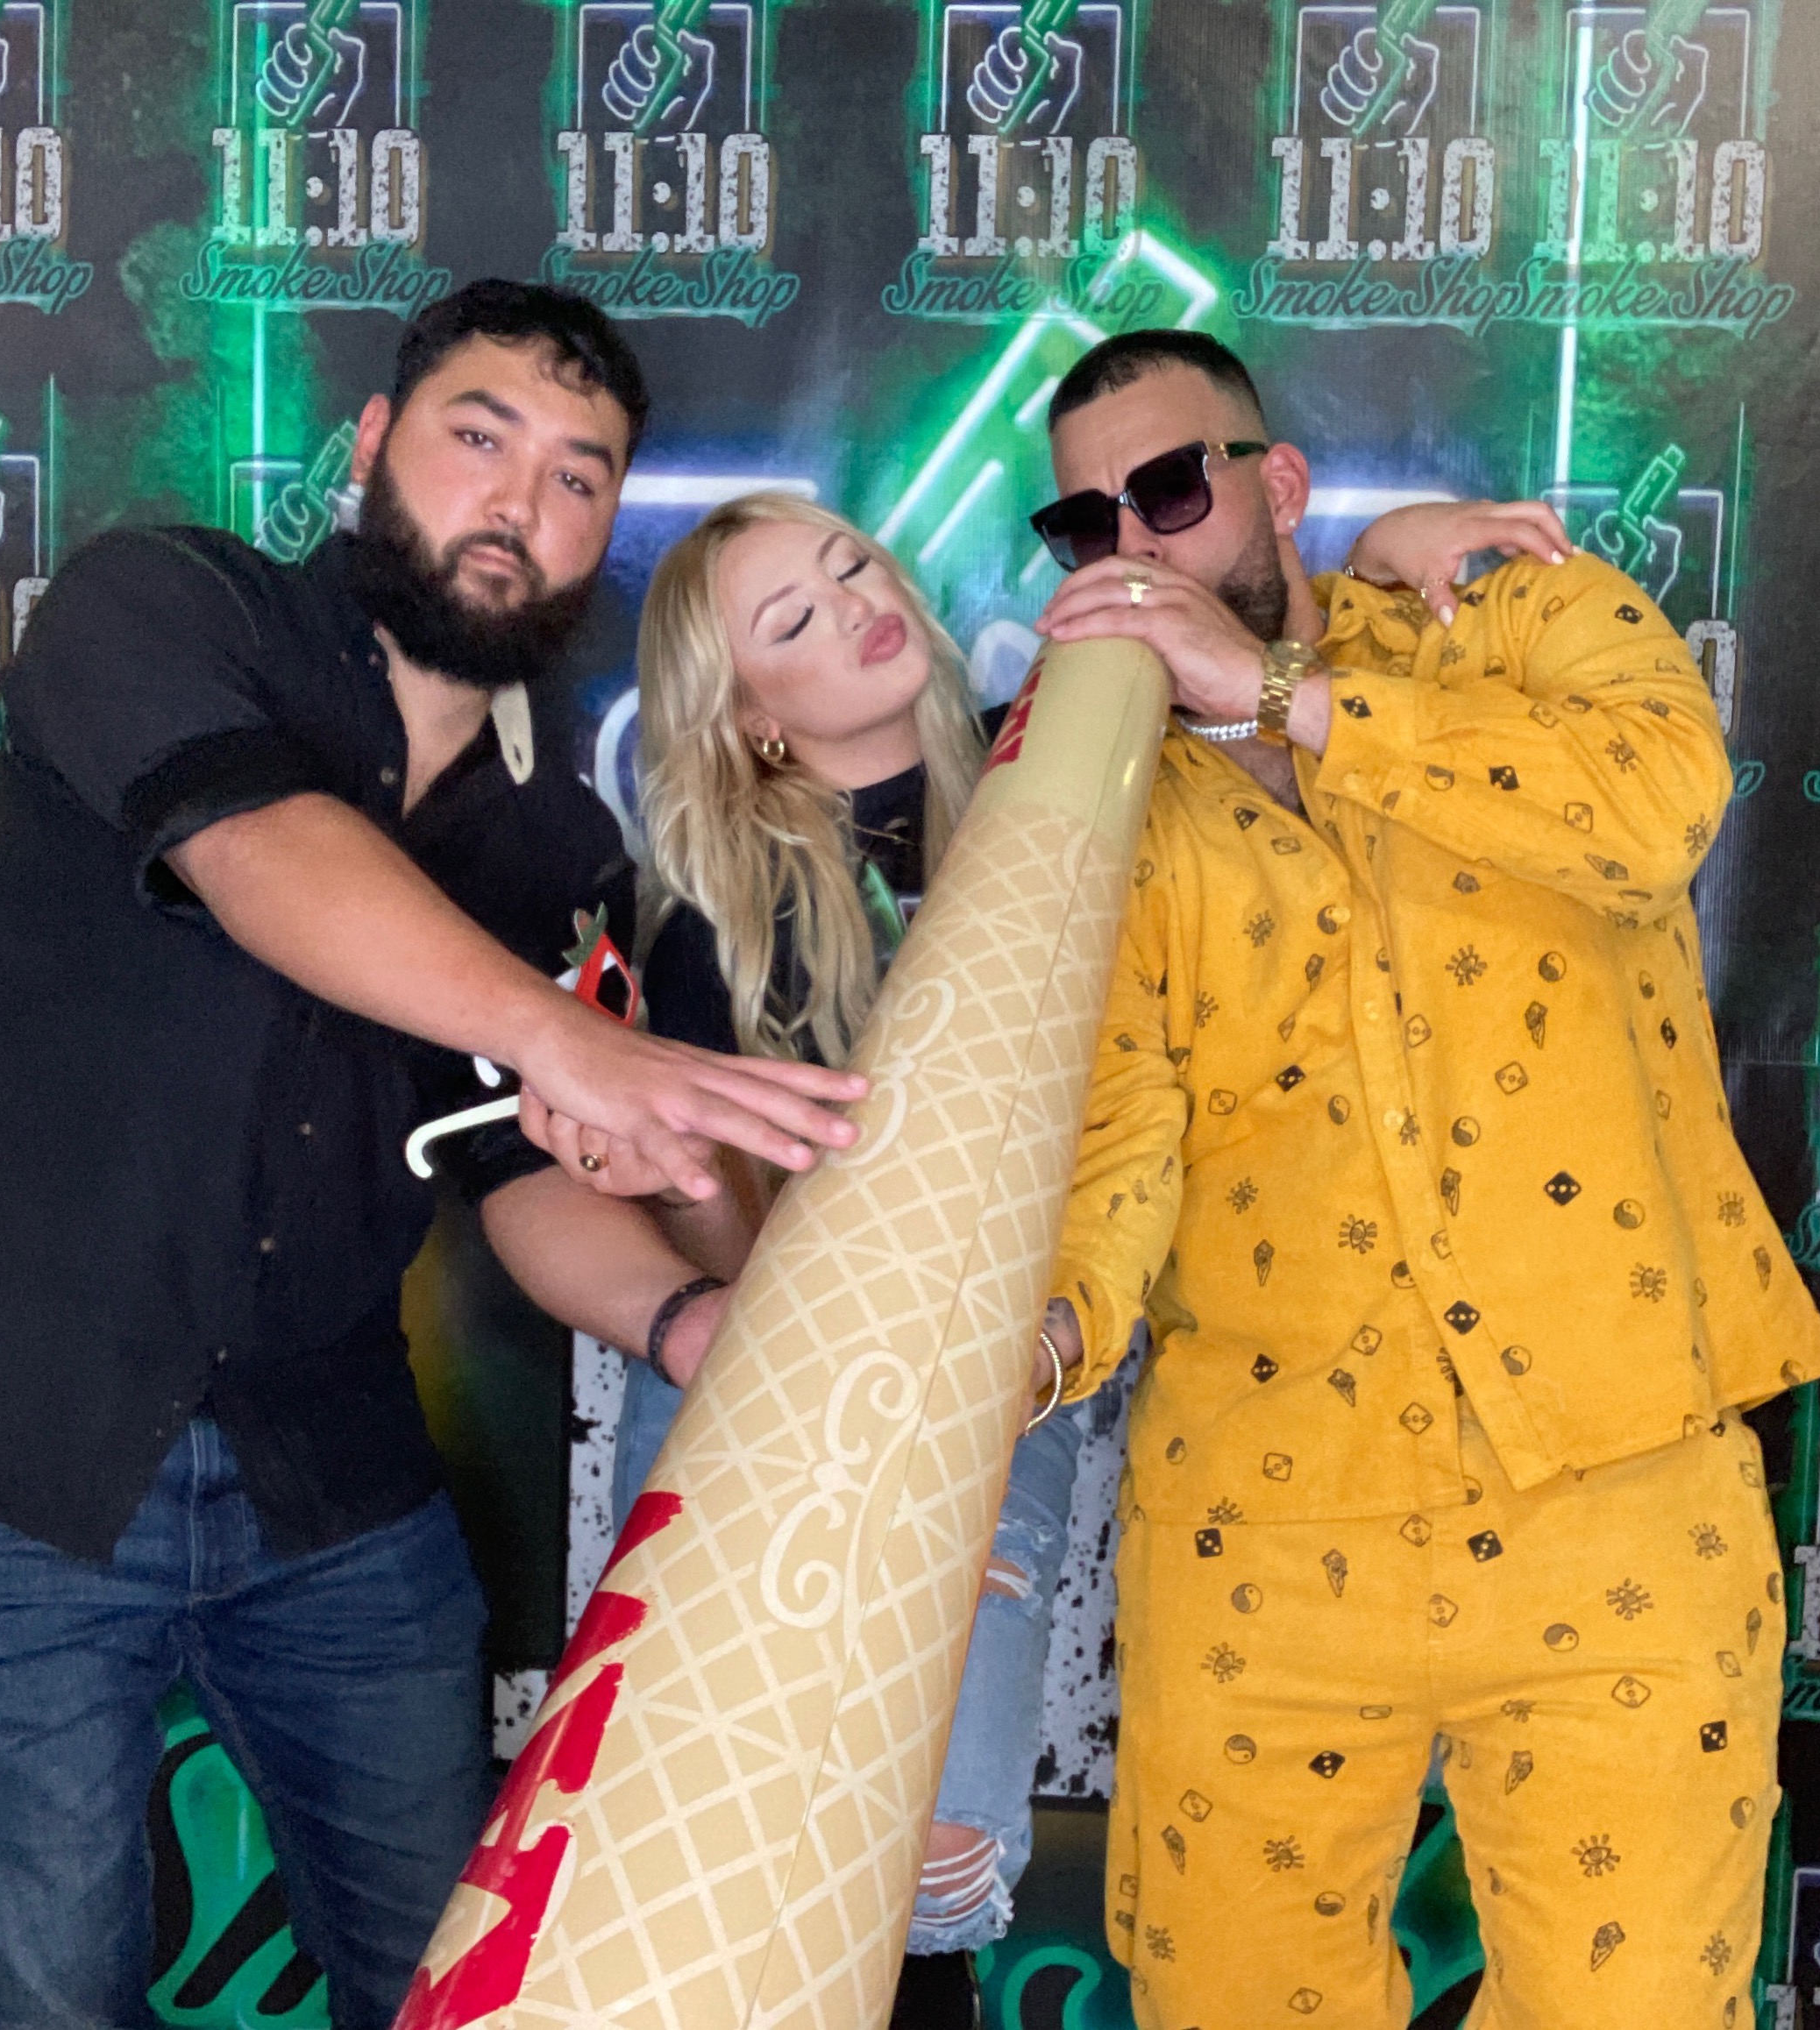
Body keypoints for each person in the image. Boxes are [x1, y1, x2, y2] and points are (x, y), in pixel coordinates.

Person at [0, 281, 864, 2030]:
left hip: (334, 1492)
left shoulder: (554, 833)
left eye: (577, 477)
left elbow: (520, 1171)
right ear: (373, 450)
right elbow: (265, 852)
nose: (520, 503)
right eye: (481, 439)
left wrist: (686, 1325)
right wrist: (573, 1033)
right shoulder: (161, 604)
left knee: (462, 1982)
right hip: (1, 1475)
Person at [491, 481, 1561, 2026]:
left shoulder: (1065, 746)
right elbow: (748, 1255)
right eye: (793, 618)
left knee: (932, 1846)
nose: (856, 602)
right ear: (748, 719)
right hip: (777, 1383)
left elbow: (1227, 627)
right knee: (722, 1847)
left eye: (853, 565)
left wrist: (1375, 552)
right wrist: (676, 1170)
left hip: (1023, 1367)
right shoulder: (707, 916)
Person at [1031, 328, 1820, 2028]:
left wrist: (1289, 700)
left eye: (1171, 488)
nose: (1139, 544)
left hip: (1613, 1488)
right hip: (1266, 1525)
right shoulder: (1100, 805)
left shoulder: (1514, 616)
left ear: (1281, 484)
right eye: (1089, 525)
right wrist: (1040, 1341)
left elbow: (1654, 805)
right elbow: (1114, 1143)